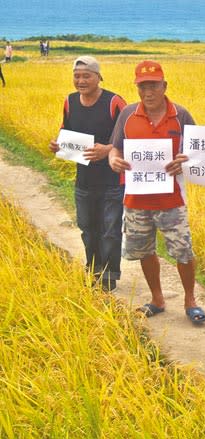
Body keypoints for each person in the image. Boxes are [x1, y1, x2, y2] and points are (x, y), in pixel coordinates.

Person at [108, 60, 205, 324]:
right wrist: (113, 160)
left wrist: (186, 161)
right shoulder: (128, 114)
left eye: (153, 85)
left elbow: (200, 153)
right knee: (145, 250)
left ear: (164, 86)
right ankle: (157, 298)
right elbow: (115, 148)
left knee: (183, 251)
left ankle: (190, 299)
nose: (147, 92)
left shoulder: (181, 115)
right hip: (136, 200)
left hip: (172, 199)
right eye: (142, 86)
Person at [48, 56, 126, 291]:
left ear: (98, 77)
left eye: (86, 75)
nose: (81, 80)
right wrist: (58, 145)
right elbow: (66, 131)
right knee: (88, 228)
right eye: (77, 76)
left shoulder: (114, 102)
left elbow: (131, 135)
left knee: (110, 231)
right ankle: (92, 270)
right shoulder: (70, 102)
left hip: (113, 181)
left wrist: (109, 149)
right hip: (84, 180)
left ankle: (109, 275)